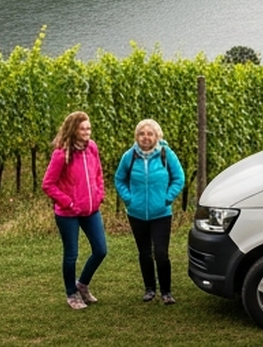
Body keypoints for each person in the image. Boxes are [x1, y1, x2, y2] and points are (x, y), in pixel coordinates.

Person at [115, 117, 187, 305]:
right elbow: (119, 179)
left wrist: (167, 198)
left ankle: (166, 291)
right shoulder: (129, 156)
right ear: (136, 136)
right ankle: (149, 289)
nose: (145, 137)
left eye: (150, 134)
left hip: (161, 213)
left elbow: (179, 178)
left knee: (161, 253)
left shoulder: (166, 154)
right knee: (144, 252)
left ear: (157, 136)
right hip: (136, 213)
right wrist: (129, 199)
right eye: (141, 134)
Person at [43, 110, 108, 310]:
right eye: (83, 129)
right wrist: (69, 202)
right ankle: (71, 293)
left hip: (91, 210)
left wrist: (99, 194)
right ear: (74, 130)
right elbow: (48, 184)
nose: (87, 132)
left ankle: (82, 284)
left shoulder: (92, 148)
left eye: (89, 128)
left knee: (101, 250)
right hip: (68, 213)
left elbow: (98, 173)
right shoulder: (61, 154)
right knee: (71, 254)